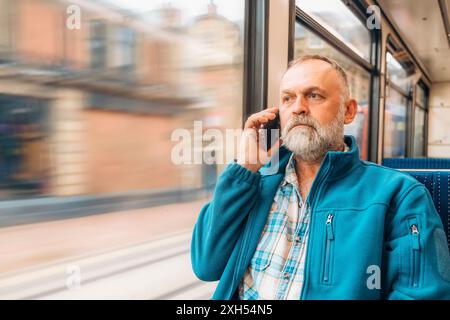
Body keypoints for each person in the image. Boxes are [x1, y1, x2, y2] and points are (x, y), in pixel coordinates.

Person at [191, 54, 450, 299]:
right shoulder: (255, 181)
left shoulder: (399, 194)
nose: (298, 108)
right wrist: (244, 168)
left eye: (314, 95)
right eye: (287, 99)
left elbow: (421, 292)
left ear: (348, 112)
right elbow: (206, 265)